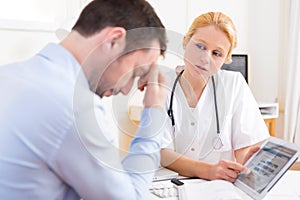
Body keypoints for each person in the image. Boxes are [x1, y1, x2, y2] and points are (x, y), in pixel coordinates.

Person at [0, 0, 168, 199]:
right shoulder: (73, 108)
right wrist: (154, 111)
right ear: (113, 40)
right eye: (136, 73)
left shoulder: (8, 75)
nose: (126, 90)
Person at [160, 12, 270, 183]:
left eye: (217, 53)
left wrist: (247, 159)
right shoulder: (162, 84)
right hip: (172, 186)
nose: (205, 58)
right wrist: (209, 170)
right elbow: (161, 153)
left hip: (219, 187)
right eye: (200, 46)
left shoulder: (233, 85)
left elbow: (244, 149)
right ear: (185, 41)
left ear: (226, 59)